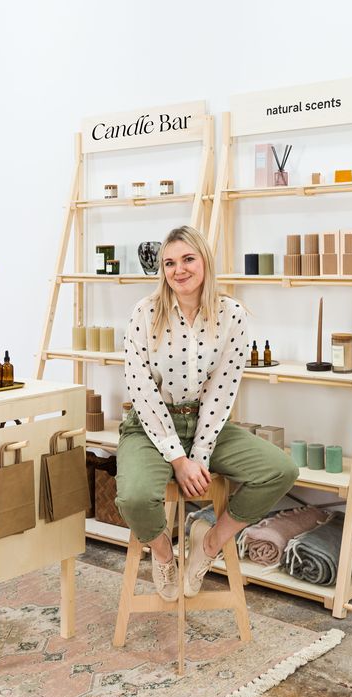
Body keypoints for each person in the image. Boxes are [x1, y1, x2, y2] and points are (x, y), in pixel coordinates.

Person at [115, 225, 299, 601]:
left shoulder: (232, 316)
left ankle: (210, 541)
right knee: (134, 497)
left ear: (204, 262)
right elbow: (142, 392)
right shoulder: (145, 313)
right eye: (169, 263)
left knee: (280, 470)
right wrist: (179, 461)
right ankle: (164, 554)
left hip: (206, 424)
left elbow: (222, 391)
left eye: (187, 259)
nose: (178, 270)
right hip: (149, 428)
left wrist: (199, 454)